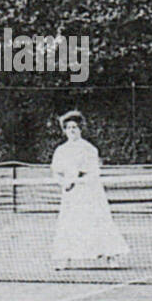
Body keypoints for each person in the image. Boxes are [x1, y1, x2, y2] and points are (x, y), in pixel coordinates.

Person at [51, 110, 129, 270]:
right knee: (68, 225)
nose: (72, 130)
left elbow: (93, 171)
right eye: (69, 128)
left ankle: (111, 258)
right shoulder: (60, 150)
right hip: (71, 197)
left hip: (90, 193)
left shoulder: (89, 149)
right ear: (64, 131)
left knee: (99, 222)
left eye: (75, 127)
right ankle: (64, 259)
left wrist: (79, 178)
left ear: (80, 129)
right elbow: (56, 172)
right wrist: (64, 183)